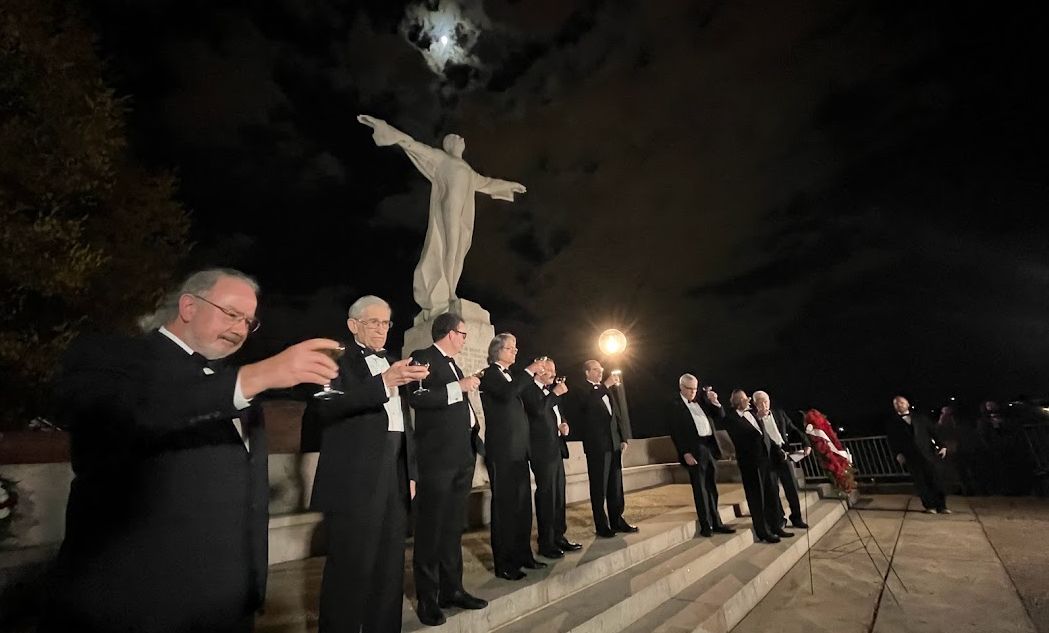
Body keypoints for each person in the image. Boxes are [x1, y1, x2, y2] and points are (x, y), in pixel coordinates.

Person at [41, 268, 341, 633]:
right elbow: (133, 409)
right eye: (231, 313)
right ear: (188, 306)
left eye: (248, 321)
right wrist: (256, 377)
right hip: (134, 604)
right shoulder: (111, 357)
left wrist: (251, 588)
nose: (240, 328)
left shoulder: (234, 385)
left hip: (227, 606)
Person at [305, 296, 429, 633]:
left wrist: (411, 471)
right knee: (349, 566)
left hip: (394, 474)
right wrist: (383, 383)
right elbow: (325, 406)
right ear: (353, 324)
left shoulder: (392, 361)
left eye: (386, 322)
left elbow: (405, 423)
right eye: (373, 322)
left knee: (390, 566)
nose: (381, 329)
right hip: (353, 477)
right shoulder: (333, 357)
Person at [357, 114, 526, 317]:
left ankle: (451, 289)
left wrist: (510, 186)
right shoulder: (442, 158)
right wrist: (382, 126)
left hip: (463, 215)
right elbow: (411, 144)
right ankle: (447, 292)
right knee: (450, 246)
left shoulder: (470, 172)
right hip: (450, 208)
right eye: (456, 138)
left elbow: (489, 183)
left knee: (459, 250)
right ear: (449, 144)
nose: (461, 140)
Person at [407, 312, 487, 626]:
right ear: (450, 334)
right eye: (464, 334)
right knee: (430, 531)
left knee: (453, 528)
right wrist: (460, 387)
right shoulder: (422, 357)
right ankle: (427, 599)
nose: (466, 340)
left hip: (461, 458)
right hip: (436, 461)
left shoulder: (453, 365)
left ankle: (452, 590)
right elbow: (418, 397)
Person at [479, 334, 546, 580]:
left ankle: (523, 554)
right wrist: (528, 372)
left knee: (522, 507)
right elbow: (507, 394)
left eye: (516, 348)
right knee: (505, 509)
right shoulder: (489, 375)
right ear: (497, 350)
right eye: (510, 348)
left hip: (519, 452)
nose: (515, 352)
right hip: (502, 452)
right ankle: (504, 563)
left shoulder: (511, 376)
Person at [522, 358, 580, 558]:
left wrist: (563, 424)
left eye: (555, 370)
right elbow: (538, 411)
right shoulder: (530, 390)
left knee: (559, 495)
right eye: (550, 370)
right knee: (547, 496)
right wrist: (555, 394)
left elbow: (556, 414)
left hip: (556, 448)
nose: (554, 374)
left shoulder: (549, 392)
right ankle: (545, 543)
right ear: (539, 370)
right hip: (541, 451)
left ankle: (559, 536)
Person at [572, 360, 636, 538]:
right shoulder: (581, 389)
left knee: (616, 484)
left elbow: (616, 414)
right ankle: (602, 525)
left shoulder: (605, 389)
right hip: (597, 446)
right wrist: (605, 386)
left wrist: (622, 437)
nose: (600, 373)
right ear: (586, 373)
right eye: (595, 370)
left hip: (614, 443)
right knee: (599, 486)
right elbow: (587, 407)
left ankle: (617, 520)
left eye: (601, 370)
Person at [666, 374, 736, 537]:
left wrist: (715, 401)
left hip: (709, 446)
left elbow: (721, 416)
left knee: (712, 487)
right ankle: (706, 525)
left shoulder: (702, 400)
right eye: (689, 389)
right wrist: (685, 453)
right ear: (681, 387)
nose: (692, 392)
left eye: (695, 388)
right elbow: (675, 432)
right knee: (700, 488)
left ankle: (717, 522)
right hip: (694, 448)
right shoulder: (674, 405)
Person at [722, 390, 792, 543]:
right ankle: (763, 531)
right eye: (745, 398)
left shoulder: (753, 414)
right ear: (737, 401)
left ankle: (776, 526)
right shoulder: (731, 419)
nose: (748, 400)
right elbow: (743, 436)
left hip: (766, 461)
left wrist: (777, 450)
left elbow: (764, 435)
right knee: (757, 498)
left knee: (772, 494)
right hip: (751, 465)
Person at [751, 391, 811, 530]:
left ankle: (797, 518)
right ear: (755, 404)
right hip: (769, 458)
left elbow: (793, 429)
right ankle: (780, 519)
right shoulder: (753, 419)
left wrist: (806, 443)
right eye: (760, 402)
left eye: (765, 401)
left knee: (792, 488)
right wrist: (759, 419)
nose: (764, 404)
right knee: (773, 490)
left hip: (784, 455)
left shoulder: (779, 413)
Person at [885, 395, 950, 514]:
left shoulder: (920, 418)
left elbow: (933, 432)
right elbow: (893, 440)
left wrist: (942, 446)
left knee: (936, 479)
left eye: (902, 402)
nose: (899, 404)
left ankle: (942, 506)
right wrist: (898, 454)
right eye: (896, 403)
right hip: (910, 456)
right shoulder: (893, 423)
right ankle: (929, 506)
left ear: (908, 404)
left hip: (928, 454)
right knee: (921, 482)